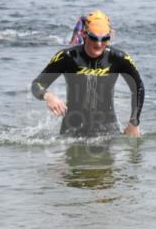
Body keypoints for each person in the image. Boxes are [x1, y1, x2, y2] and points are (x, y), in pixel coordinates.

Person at [31, 10, 143, 138]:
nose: (99, 43)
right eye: (94, 38)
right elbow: (37, 84)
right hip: (71, 132)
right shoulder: (67, 57)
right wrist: (47, 95)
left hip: (107, 131)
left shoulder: (119, 58)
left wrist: (134, 122)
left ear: (110, 36)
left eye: (104, 38)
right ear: (84, 34)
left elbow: (138, 87)